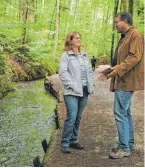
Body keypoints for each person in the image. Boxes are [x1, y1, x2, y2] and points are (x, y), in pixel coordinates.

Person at [99, 12, 144, 159]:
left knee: (120, 113)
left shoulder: (135, 34)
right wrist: (109, 71)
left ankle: (125, 148)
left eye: (117, 21)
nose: (115, 24)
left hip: (127, 81)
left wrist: (117, 70)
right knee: (125, 113)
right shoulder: (126, 36)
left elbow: (134, 57)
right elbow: (121, 59)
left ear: (125, 21)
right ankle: (128, 143)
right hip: (123, 79)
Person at [59, 31, 94, 153]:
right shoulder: (66, 55)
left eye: (80, 37)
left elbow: (89, 71)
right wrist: (73, 85)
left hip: (85, 91)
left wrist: (91, 84)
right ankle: (65, 143)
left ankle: (73, 141)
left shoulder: (84, 55)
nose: (79, 40)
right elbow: (62, 73)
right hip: (71, 92)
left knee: (78, 117)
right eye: (77, 38)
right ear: (70, 40)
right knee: (71, 117)